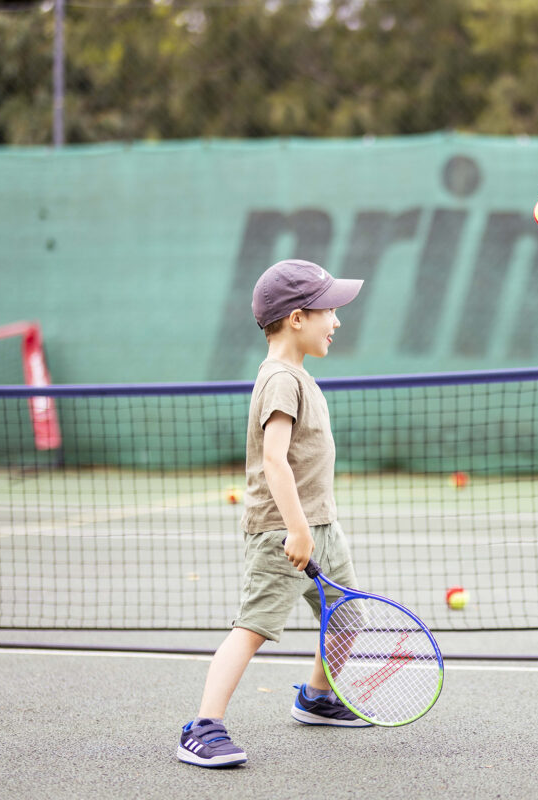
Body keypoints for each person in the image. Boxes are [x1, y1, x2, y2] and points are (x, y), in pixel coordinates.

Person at [177, 258, 367, 768]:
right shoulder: (280, 379)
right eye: (331, 310)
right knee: (254, 628)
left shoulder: (298, 375)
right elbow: (273, 458)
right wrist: (298, 530)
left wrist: (316, 527)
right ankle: (202, 727)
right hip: (283, 535)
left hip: (321, 528)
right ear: (298, 317)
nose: (338, 321)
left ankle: (316, 699)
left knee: (347, 619)